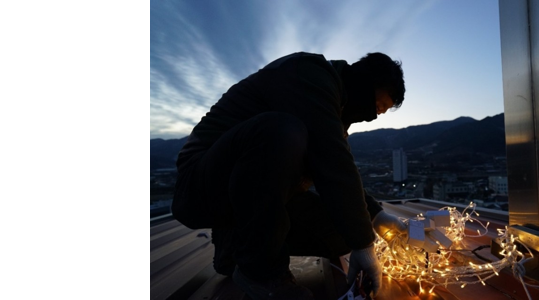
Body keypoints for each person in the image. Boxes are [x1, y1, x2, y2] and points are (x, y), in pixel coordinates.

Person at [171, 52, 409, 300]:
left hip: (248, 194)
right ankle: (260, 271)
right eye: (379, 106)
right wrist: (364, 243)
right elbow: (332, 160)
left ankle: (233, 248)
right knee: (281, 130)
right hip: (199, 187)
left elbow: (338, 165)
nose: (374, 116)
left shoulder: (332, 108)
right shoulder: (308, 74)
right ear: (364, 84)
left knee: (340, 233)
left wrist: (376, 215)